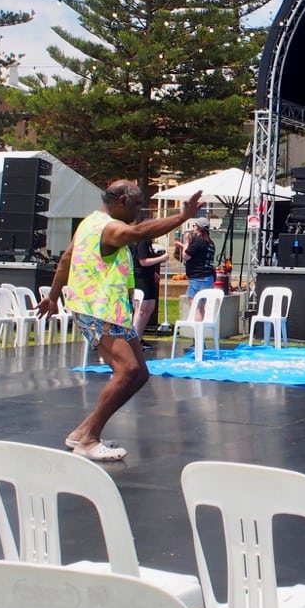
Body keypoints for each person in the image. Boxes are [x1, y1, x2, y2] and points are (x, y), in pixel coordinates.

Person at [37, 180, 202, 461]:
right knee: (127, 371)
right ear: (122, 200)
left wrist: (53, 297)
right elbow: (137, 232)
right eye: (137, 205)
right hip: (97, 309)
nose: (138, 212)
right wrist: (182, 217)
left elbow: (66, 258)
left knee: (140, 373)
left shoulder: (89, 222)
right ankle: (89, 439)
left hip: (111, 311)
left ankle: (82, 432)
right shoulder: (109, 227)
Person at [132, 233, 168, 349]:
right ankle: (133, 339)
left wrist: (153, 272)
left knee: (150, 307)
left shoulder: (149, 242)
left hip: (148, 277)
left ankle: (139, 337)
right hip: (141, 278)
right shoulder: (141, 241)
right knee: (141, 309)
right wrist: (161, 259)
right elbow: (143, 261)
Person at [181, 217, 216, 319]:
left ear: (198, 227)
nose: (193, 228)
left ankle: (198, 332)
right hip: (208, 277)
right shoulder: (210, 243)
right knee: (201, 307)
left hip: (197, 278)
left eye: (194, 226)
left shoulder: (197, 241)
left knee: (195, 307)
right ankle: (201, 331)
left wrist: (186, 242)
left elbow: (186, 256)